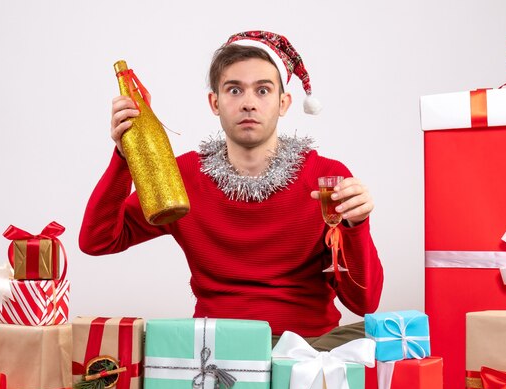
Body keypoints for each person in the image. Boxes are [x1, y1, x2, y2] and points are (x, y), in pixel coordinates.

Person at [79, 30, 383, 350]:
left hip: (307, 349)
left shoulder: (326, 178)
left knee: (377, 337)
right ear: (215, 102)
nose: (248, 103)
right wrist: (125, 158)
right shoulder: (182, 177)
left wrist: (354, 226)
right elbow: (99, 240)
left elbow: (364, 302)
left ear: (283, 103)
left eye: (263, 90)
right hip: (219, 350)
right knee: (149, 347)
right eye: (234, 90)